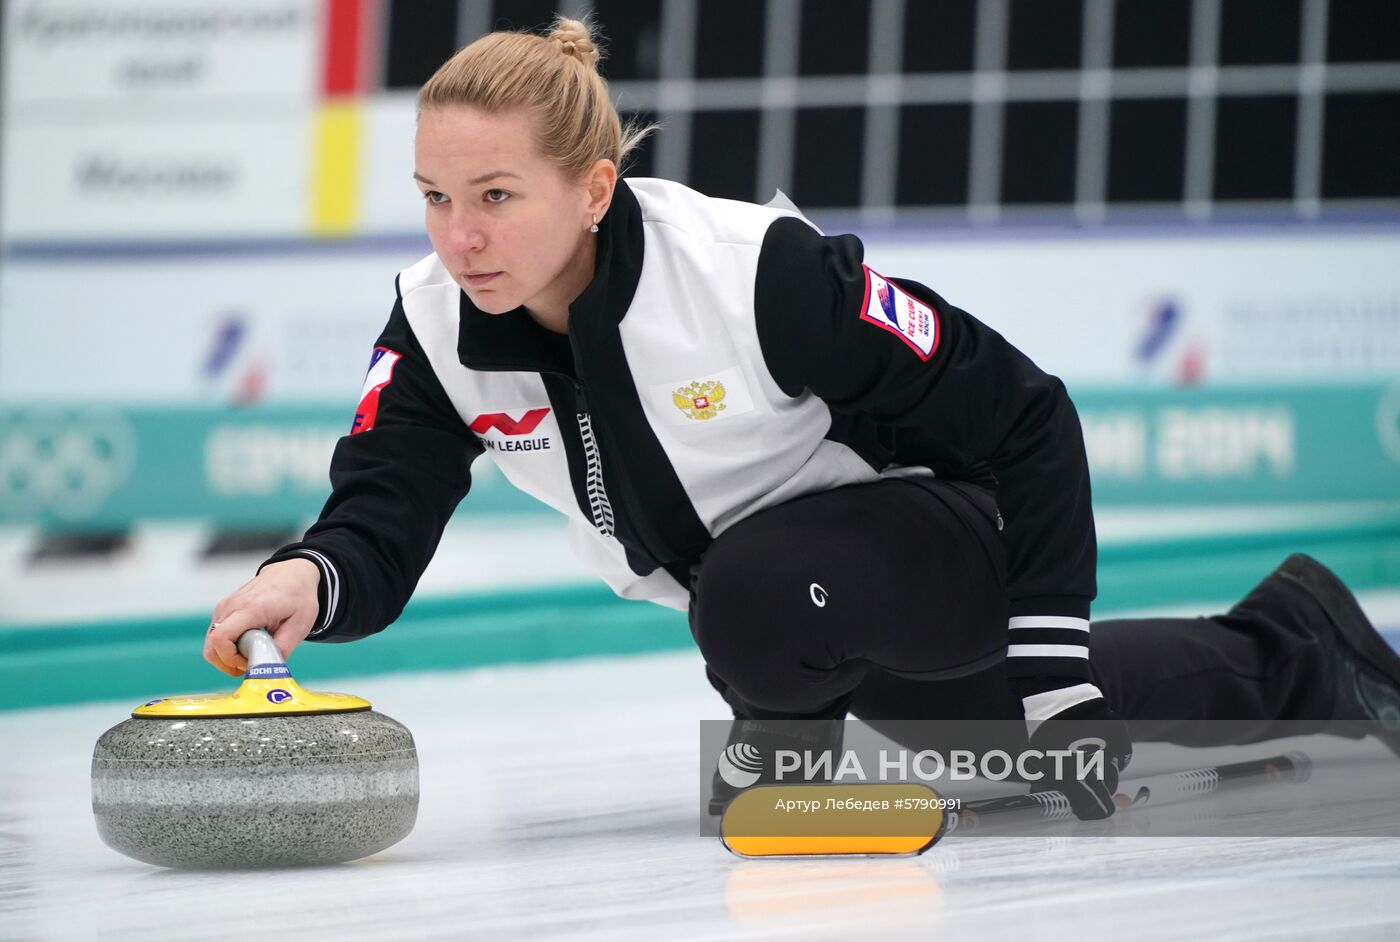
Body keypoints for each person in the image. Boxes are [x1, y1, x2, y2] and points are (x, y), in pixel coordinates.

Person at [204, 16, 1400, 820]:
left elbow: (1027, 416)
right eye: (434, 199)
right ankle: (1297, 646)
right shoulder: (434, 320)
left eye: (497, 197)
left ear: (594, 187)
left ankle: (783, 757)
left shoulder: (752, 273)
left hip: (930, 539)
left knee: (767, 601)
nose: (458, 237)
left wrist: (1047, 661)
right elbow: (383, 505)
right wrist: (307, 578)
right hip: (797, 609)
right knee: (970, 742)